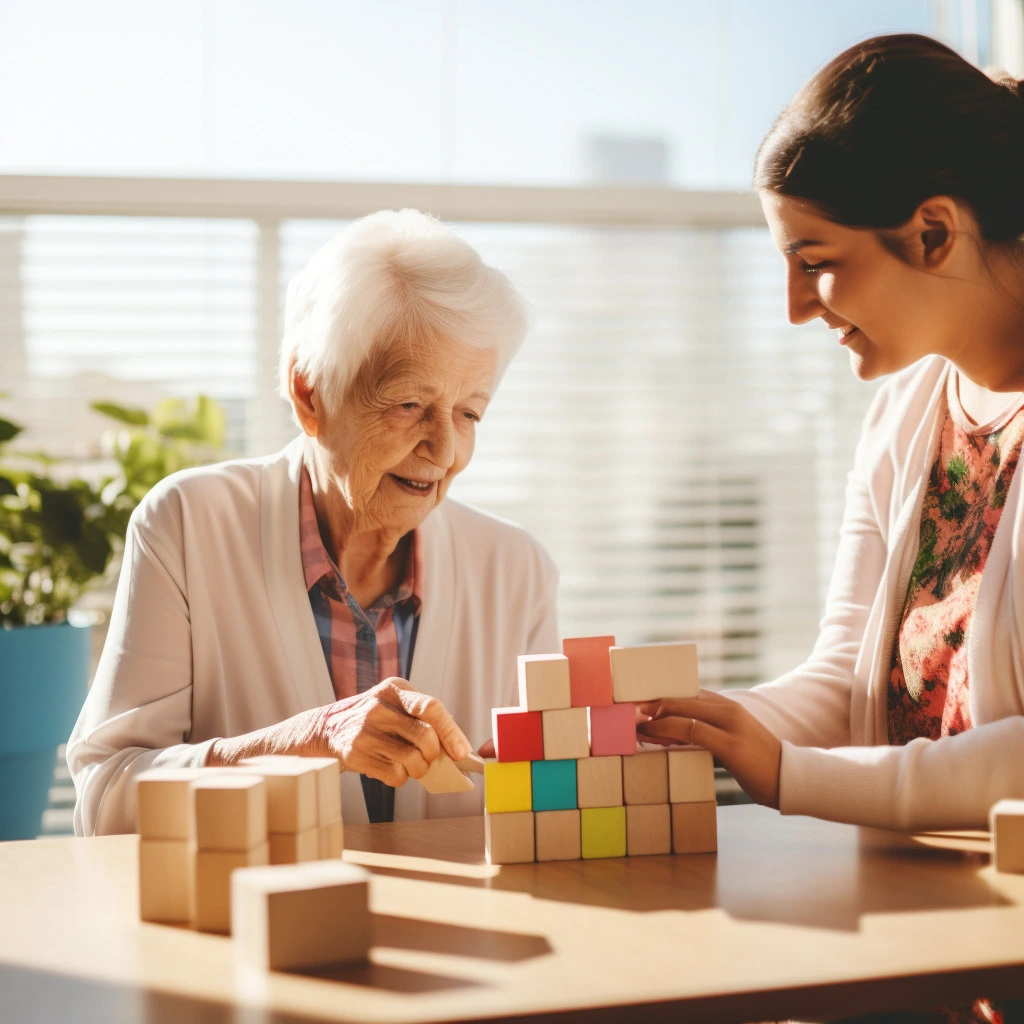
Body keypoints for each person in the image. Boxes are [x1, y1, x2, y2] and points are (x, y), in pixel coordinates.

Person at [640, 34, 1024, 833]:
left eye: (813, 260)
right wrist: (687, 728)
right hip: (913, 897)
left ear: (932, 233)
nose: (795, 306)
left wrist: (791, 776)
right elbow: (843, 681)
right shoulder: (904, 414)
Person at [68, 209, 558, 834]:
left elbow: (551, 813)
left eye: (468, 414)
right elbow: (104, 805)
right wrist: (304, 742)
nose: (443, 450)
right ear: (309, 394)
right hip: (254, 926)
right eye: (410, 405)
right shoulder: (189, 525)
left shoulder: (516, 570)